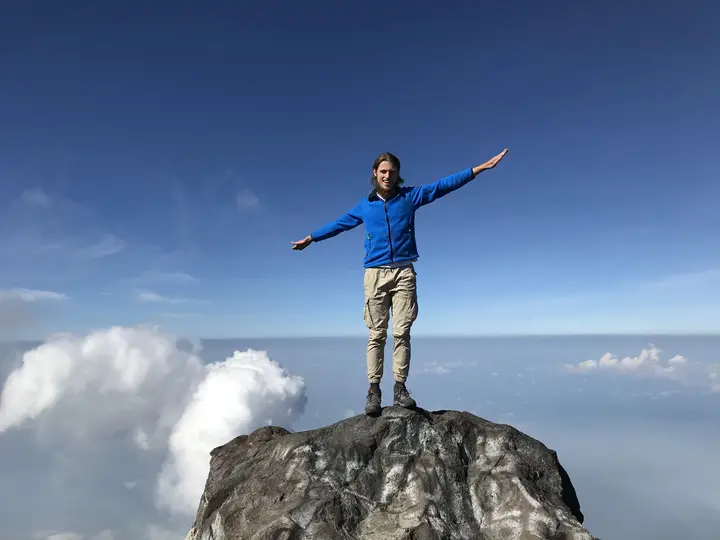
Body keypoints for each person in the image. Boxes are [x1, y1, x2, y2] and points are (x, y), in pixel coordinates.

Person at [291, 148, 509, 415]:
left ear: (397, 175)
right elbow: (340, 224)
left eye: (392, 172)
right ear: (375, 173)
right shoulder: (365, 205)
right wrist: (312, 238)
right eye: (383, 171)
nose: (387, 175)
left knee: (402, 332)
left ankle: (400, 387)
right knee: (376, 335)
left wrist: (479, 168)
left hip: (404, 272)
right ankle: (373, 391)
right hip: (375, 274)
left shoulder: (410, 197)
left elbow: (443, 186)